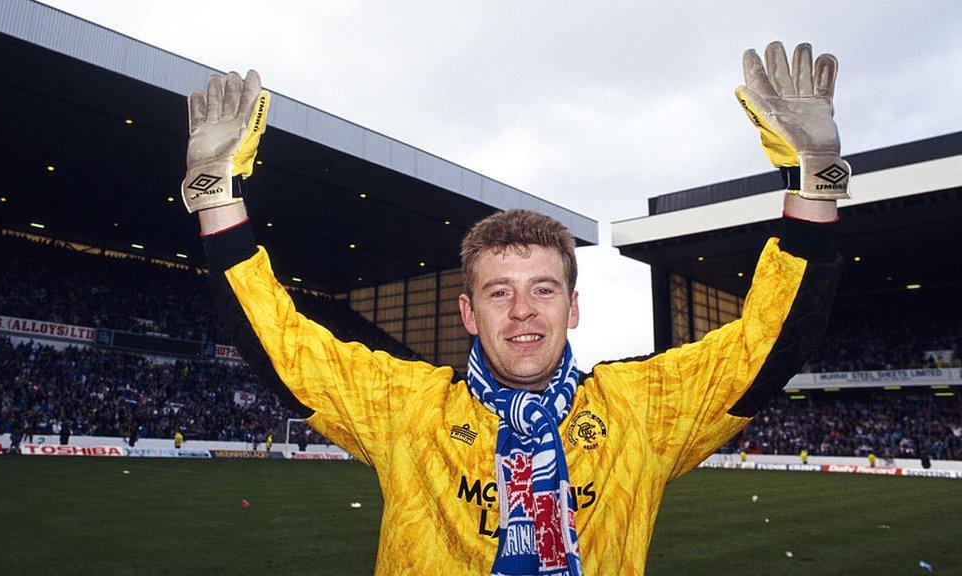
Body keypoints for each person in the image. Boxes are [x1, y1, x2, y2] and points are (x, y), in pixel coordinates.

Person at [182, 41, 845, 575]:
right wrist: (218, 196)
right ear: (469, 313)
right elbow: (284, 347)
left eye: (543, 289)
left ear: (574, 308)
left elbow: (767, 346)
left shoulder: (640, 413)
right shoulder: (410, 411)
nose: (523, 311)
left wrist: (814, 179)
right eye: (500, 292)